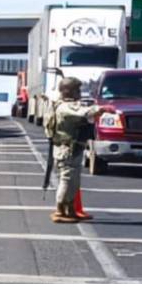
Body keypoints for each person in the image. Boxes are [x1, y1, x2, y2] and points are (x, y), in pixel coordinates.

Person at [43, 77, 106, 224]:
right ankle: (60, 209)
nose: (79, 93)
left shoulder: (63, 105)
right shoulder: (65, 107)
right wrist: (100, 109)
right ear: (68, 91)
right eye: (77, 90)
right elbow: (83, 112)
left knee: (73, 181)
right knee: (66, 180)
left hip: (73, 148)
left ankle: (70, 209)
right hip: (67, 149)